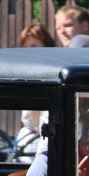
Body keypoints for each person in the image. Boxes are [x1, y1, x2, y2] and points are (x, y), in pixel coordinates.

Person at [15, 22, 56, 161]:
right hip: (30, 138)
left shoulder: (52, 73)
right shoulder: (24, 74)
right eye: (25, 48)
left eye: (34, 46)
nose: (29, 52)